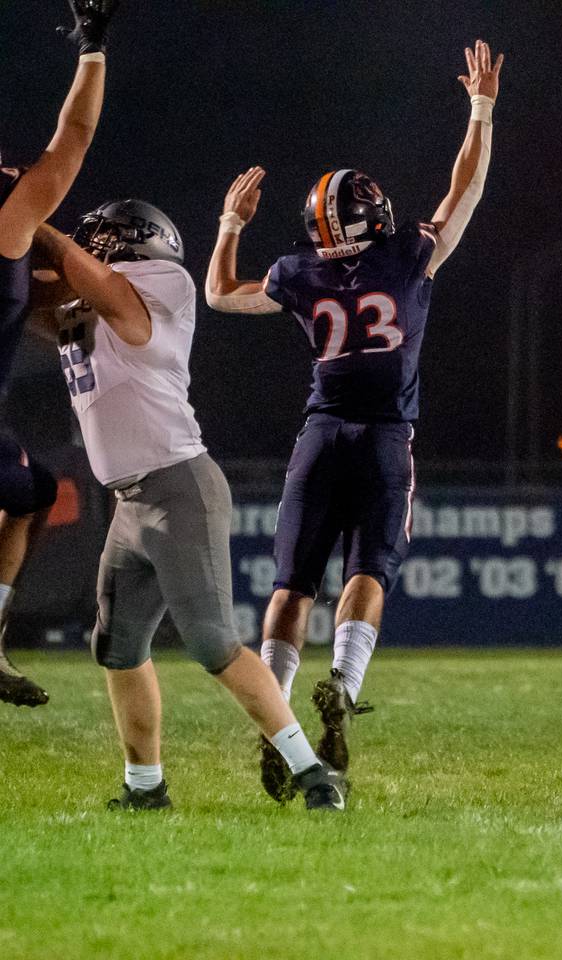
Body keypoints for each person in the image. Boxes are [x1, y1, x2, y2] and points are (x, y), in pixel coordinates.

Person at [204, 40, 502, 801]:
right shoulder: (406, 257)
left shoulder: (300, 271)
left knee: (291, 583)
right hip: (385, 439)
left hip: (320, 435)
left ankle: (277, 722)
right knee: (368, 572)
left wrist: (231, 224)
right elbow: (462, 192)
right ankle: (341, 679)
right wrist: (481, 108)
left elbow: (218, 294)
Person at [29, 203, 345, 812]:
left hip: (179, 490)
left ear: (123, 243)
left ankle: (313, 773)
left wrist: (32, 220)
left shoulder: (161, 285)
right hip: (129, 505)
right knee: (116, 647)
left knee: (211, 643)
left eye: (94, 241)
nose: (83, 247)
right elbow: (37, 303)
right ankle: (145, 787)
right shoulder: (94, 301)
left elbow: (88, 278)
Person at [0, 0, 118, 706]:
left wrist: (49, 308)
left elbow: (20, 304)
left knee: (33, 491)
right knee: (31, 495)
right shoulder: (11, 213)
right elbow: (73, 136)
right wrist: (93, 49)